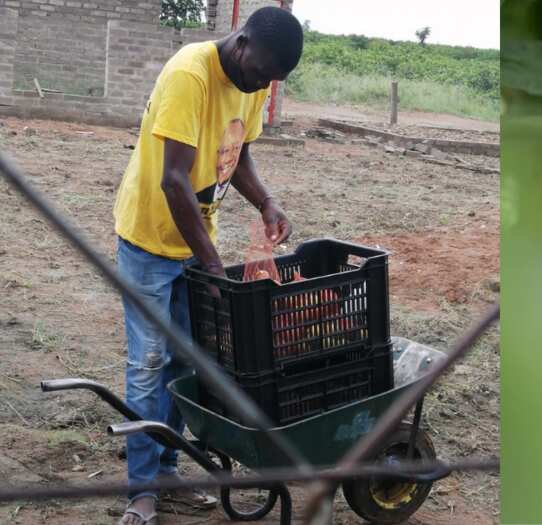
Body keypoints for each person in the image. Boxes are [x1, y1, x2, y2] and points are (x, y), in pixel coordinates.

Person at [112, 7, 303, 525]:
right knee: (149, 365)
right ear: (240, 43)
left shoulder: (253, 80)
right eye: (260, 73)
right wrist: (215, 266)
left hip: (197, 246)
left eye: (271, 81)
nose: (262, 85)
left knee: (187, 361)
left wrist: (265, 201)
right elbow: (174, 180)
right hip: (150, 242)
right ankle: (141, 491)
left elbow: (236, 154)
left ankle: (168, 467)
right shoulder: (188, 74)